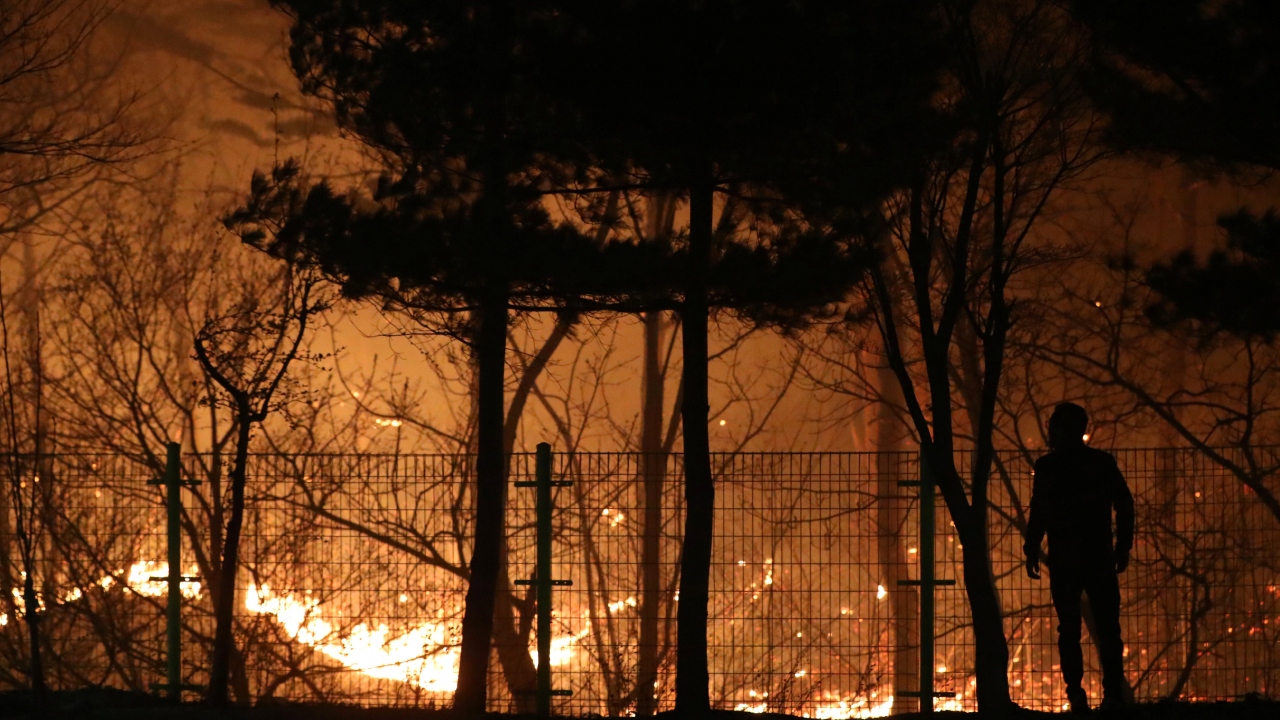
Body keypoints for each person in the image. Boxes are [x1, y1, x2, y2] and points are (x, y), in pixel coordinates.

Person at [1024, 402, 1135, 714]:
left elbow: (1040, 510)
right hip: (1099, 556)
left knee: (1069, 629)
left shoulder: (1048, 467)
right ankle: (1112, 695)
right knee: (1108, 629)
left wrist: (1032, 547)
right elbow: (1124, 504)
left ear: (1058, 430)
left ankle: (1076, 695)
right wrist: (1122, 545)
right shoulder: (1101, 464)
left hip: (1065, 559)